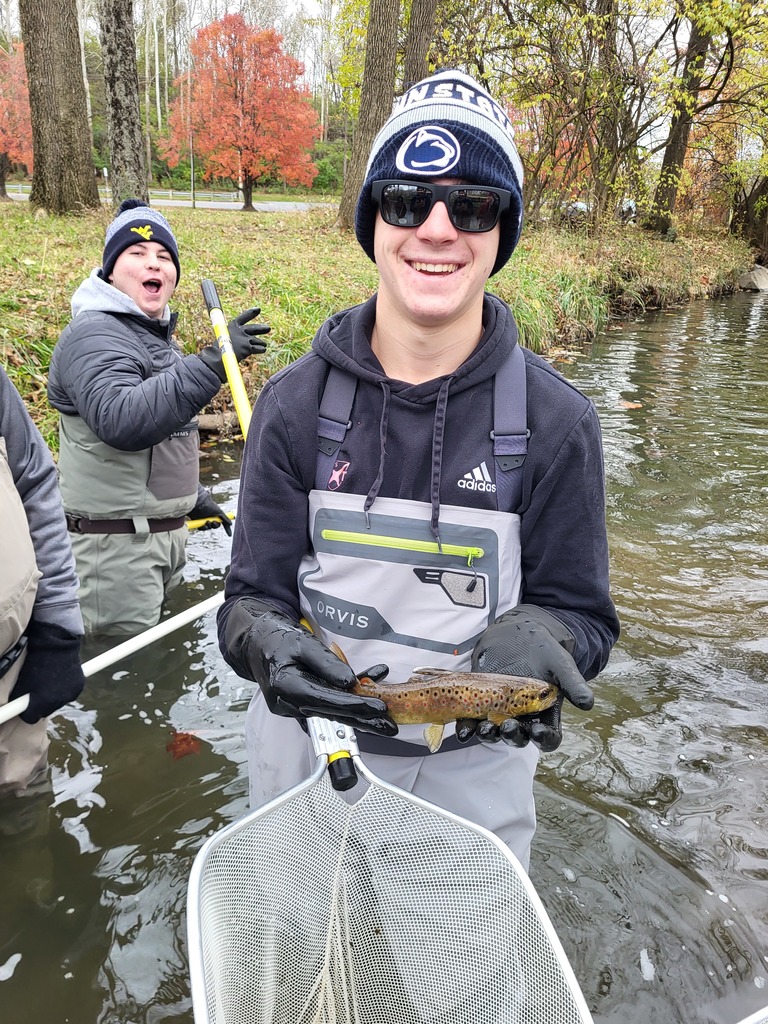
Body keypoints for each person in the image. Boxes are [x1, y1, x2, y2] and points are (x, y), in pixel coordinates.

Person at [217, 69, 620, 870]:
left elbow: (585, 618)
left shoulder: (560, 424)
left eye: (472, 205)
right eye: (406, 201)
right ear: (374, 222)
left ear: (500, 231)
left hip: (474, 782)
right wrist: (265, 642)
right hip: (307, 764)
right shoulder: (292, 406)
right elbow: (246, 600)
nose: (438, 229)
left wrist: (545, 633)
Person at [47, 199, 269, 637]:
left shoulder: (150, 337)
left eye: (165, 257)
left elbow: (163, 428)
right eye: (138, 253)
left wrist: (190, 496)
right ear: (111, 270)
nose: (155, 264)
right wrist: (211, 364)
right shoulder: (93, 334)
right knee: (121, 681)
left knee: (161, 667)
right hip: (112, 549)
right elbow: (123, 420)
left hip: (158, 539)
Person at [0, 366, 86, 796]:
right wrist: (203, 371)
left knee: (26, 819)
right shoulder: (93, 337)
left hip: (12, 676)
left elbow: (33, 482)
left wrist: (57, 631)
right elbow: (121, 417)